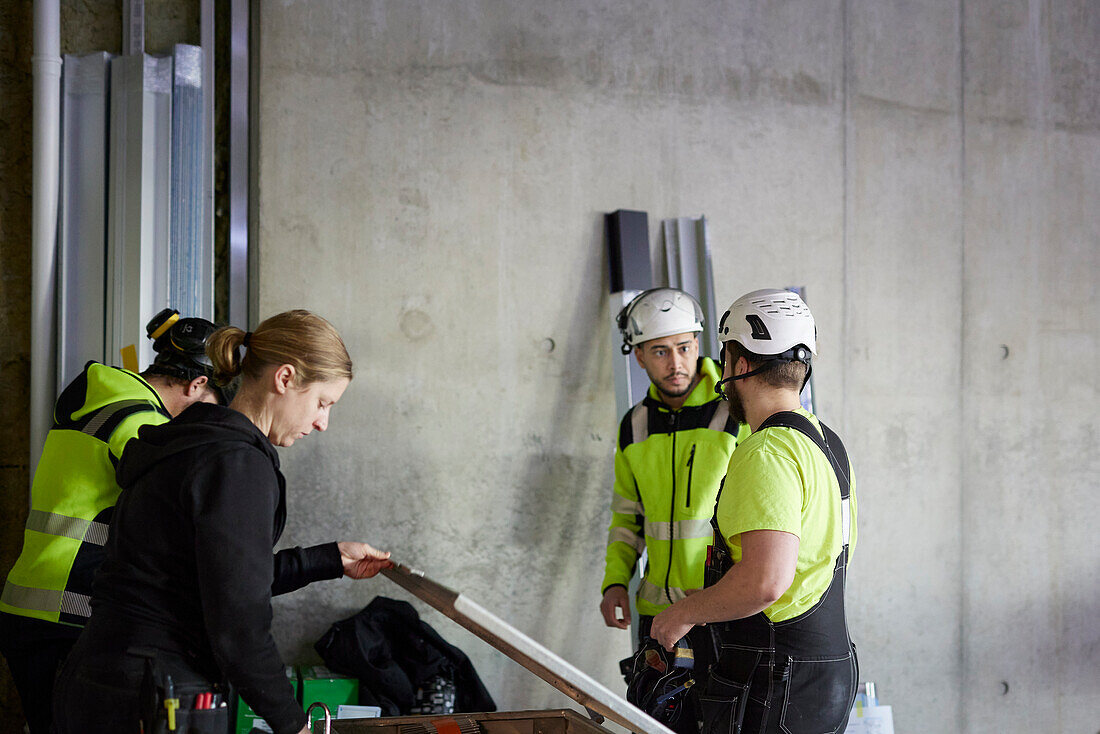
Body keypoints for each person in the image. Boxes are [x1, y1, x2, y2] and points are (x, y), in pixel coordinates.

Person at [52, 309, 393, 734]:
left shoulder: (192, 440)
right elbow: (239, 624)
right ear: (285, 379)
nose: (322, 423)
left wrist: (329, 559)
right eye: (323, 403)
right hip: (153, 696)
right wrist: (294, 725)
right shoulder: (237, 464)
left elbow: (216, 578)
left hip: (99, 678)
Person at [0, 308, 228, 734]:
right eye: (209, 409)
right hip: (68, 613)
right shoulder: (142, 421)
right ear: (197, 385)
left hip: (32, 606)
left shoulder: (107, 394)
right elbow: (186, 504)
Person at [650, 288, 858, 734]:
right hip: (826, 673)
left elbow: (765, 581)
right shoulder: (827, 443)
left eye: (725, 360)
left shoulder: (767, 451)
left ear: (739, 364)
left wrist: (682, 613)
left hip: (774, 680)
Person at [600, 288, 748, 647]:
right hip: (656, 615)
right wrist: (616, 581)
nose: (676, 364)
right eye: (660, 351)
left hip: (719, 609)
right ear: (639, 357)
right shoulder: (634, 425)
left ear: (698, 344)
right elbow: (627, 517)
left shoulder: (737, 413)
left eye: (684, 347)